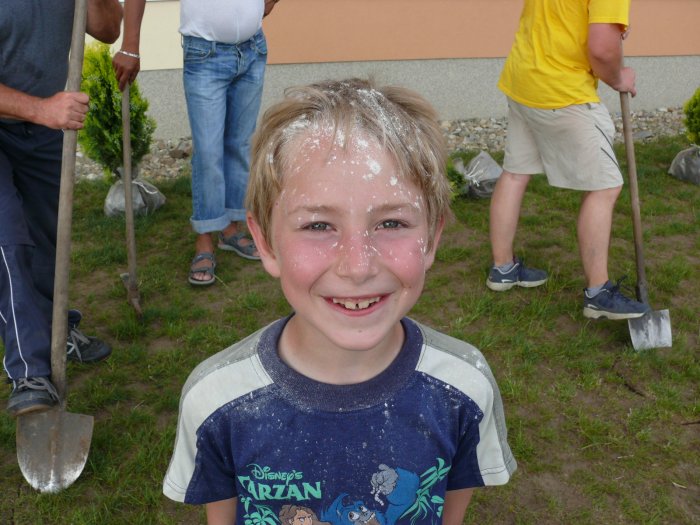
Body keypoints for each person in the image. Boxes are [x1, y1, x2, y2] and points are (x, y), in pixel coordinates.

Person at [163, 79, 516, 525]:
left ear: (432, 238)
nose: (357, 266)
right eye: (317, 226)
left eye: (391, 222)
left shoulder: (465, 390)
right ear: (265, 242)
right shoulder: (215, 401)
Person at [487, 0, 651, 320]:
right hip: (562, 92)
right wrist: (618, 78)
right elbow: (602, 49)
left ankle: (503, 268)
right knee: (605, 187)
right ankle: (598, 293)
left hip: (524, 79)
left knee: (515, 173)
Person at [0, 0, 122, 417]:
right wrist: (43, 108)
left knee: (49, 237)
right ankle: (29, 371)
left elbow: (108, 30)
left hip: (42, 128)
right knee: (8, 239)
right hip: (39, 112)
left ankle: (56, 332)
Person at [113, 0, 282, 286]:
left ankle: (230, 229)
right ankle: (204, 240)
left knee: (240, 146)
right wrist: (130, 46)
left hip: (252, 49)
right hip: (206, 54)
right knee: (208, 153)